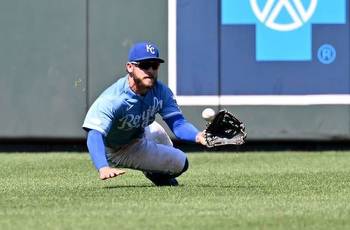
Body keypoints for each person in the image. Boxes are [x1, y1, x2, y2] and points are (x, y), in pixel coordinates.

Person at [82, 41, 206, 186]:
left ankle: (153, 170)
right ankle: (153, 171)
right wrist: (102, 167)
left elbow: (178, 123)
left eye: (155, 65)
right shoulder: (114, 98)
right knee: (179, 162)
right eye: (144, 65)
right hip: (117, 149)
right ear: (130, 67)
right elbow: (94, 133)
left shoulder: (161, 91)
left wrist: (197, 135)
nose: (150, 70)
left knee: (177, 159)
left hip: (140, 131)